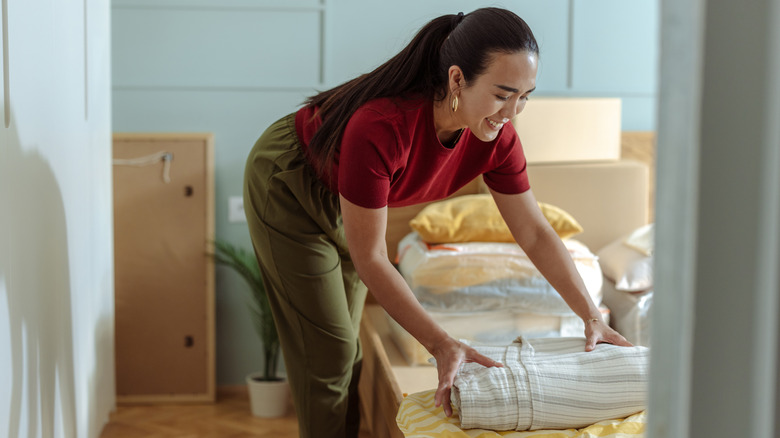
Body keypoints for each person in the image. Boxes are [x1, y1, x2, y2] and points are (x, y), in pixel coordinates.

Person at [243, 7, 631, 438]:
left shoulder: (498, 139)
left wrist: (591, 316)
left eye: (525, 96)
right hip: (290, 183)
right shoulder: (383, 127)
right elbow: (371, 258)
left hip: (344, 196)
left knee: (346, 350)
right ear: (457, 80)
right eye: (502, 94)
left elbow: (535, 232)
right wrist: (441, 343)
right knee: (328, 353)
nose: (512, 111)